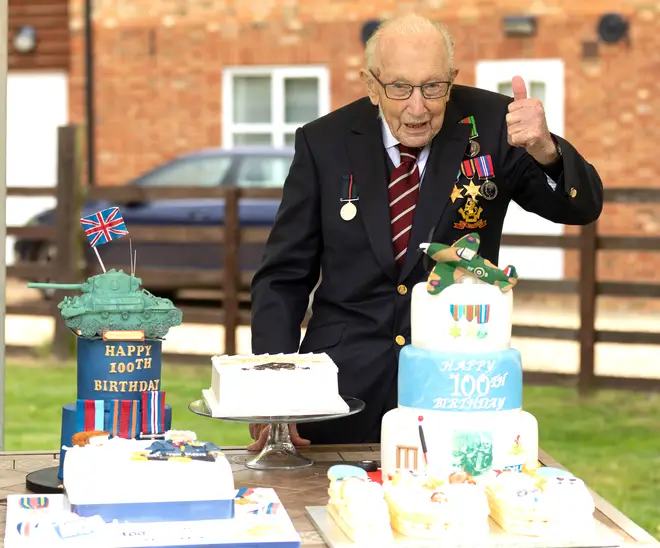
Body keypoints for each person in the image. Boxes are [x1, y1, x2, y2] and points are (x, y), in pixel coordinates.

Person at [247, 14, 603, 450]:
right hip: (339, 390)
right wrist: (271, 394)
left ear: (452, 80)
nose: (417, 108)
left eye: (433, 87)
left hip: (456, 388)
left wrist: (546, 150)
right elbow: (283, 276)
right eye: (399, 88)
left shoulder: (494, 125)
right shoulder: (324, 142)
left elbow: (581, 207)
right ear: (371, 84)